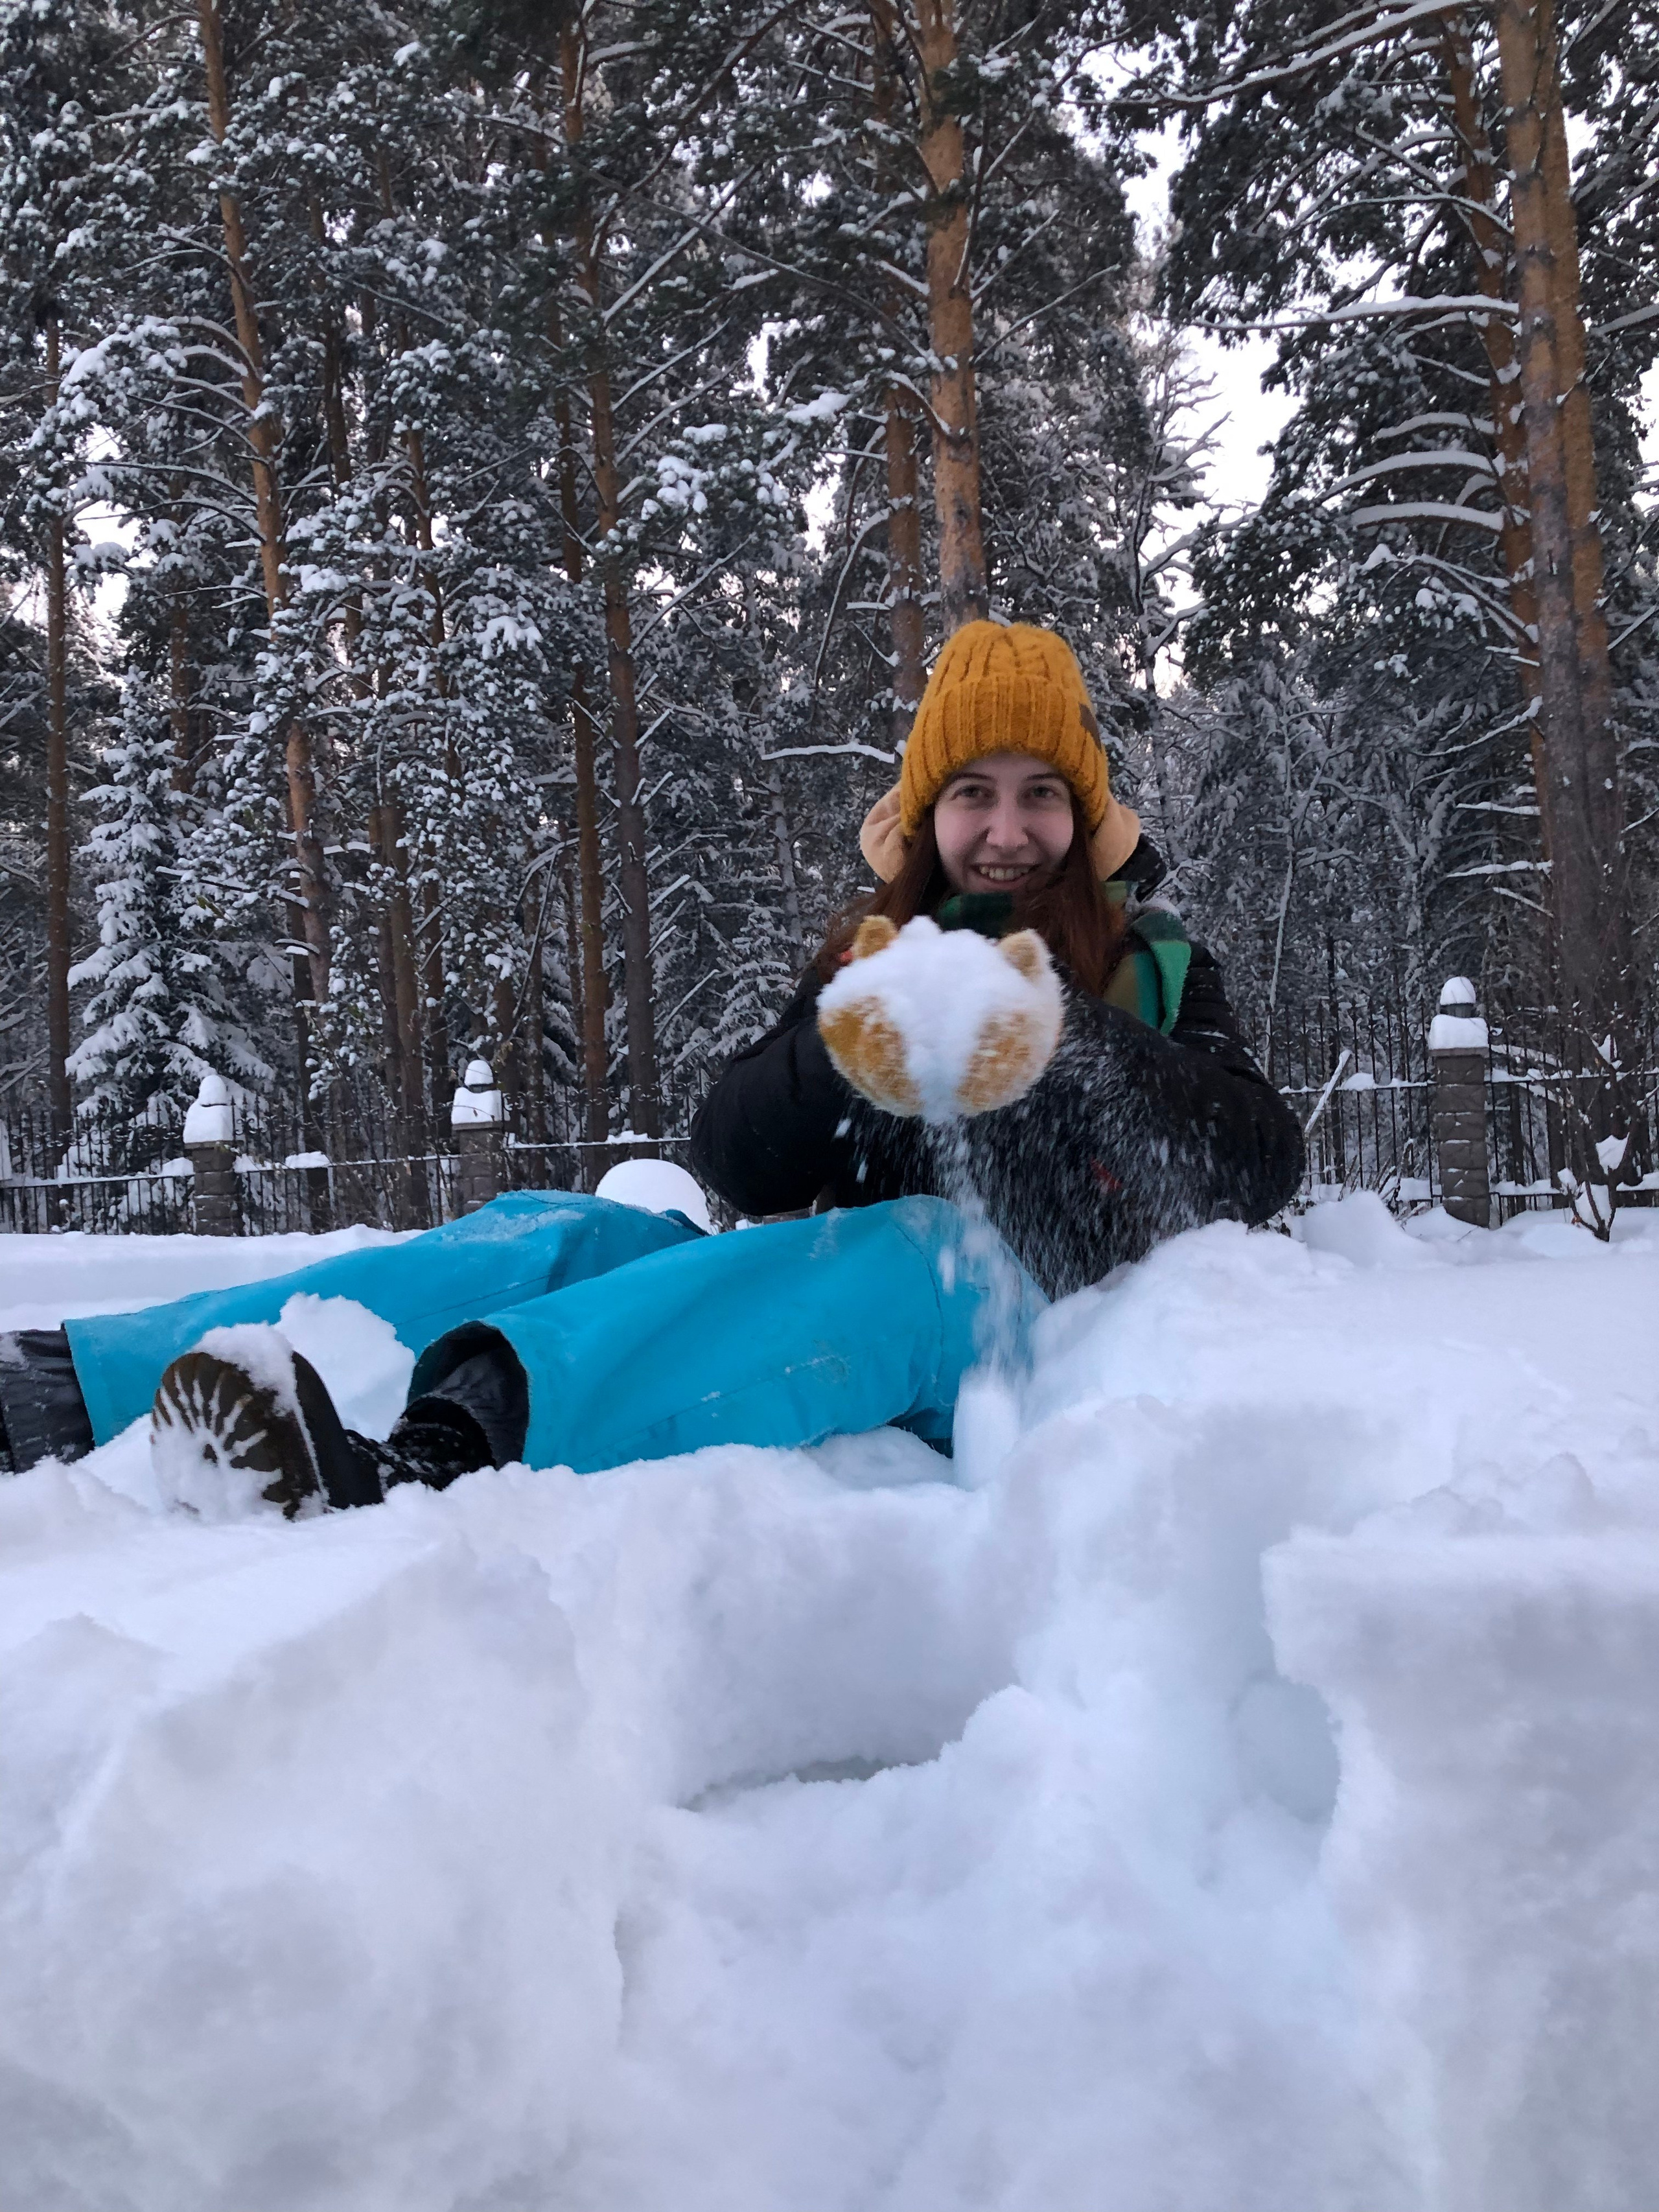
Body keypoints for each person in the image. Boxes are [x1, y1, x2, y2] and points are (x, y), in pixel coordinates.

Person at [0, 622, 1299, 1511]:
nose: (1005, 830)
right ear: (926, 815)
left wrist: (1067, 1035)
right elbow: (731, 1152)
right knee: (564, 1233)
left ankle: (445, 1452)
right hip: (805, 1290)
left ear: (1079, 815)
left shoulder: (1151, 965)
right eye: (972, 793)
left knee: (905, 1241)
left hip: (1008, 1328)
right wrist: (845, 1051)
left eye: (1036, 795)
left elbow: (1253, 1159)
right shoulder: (873, 955)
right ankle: (75, 1388)